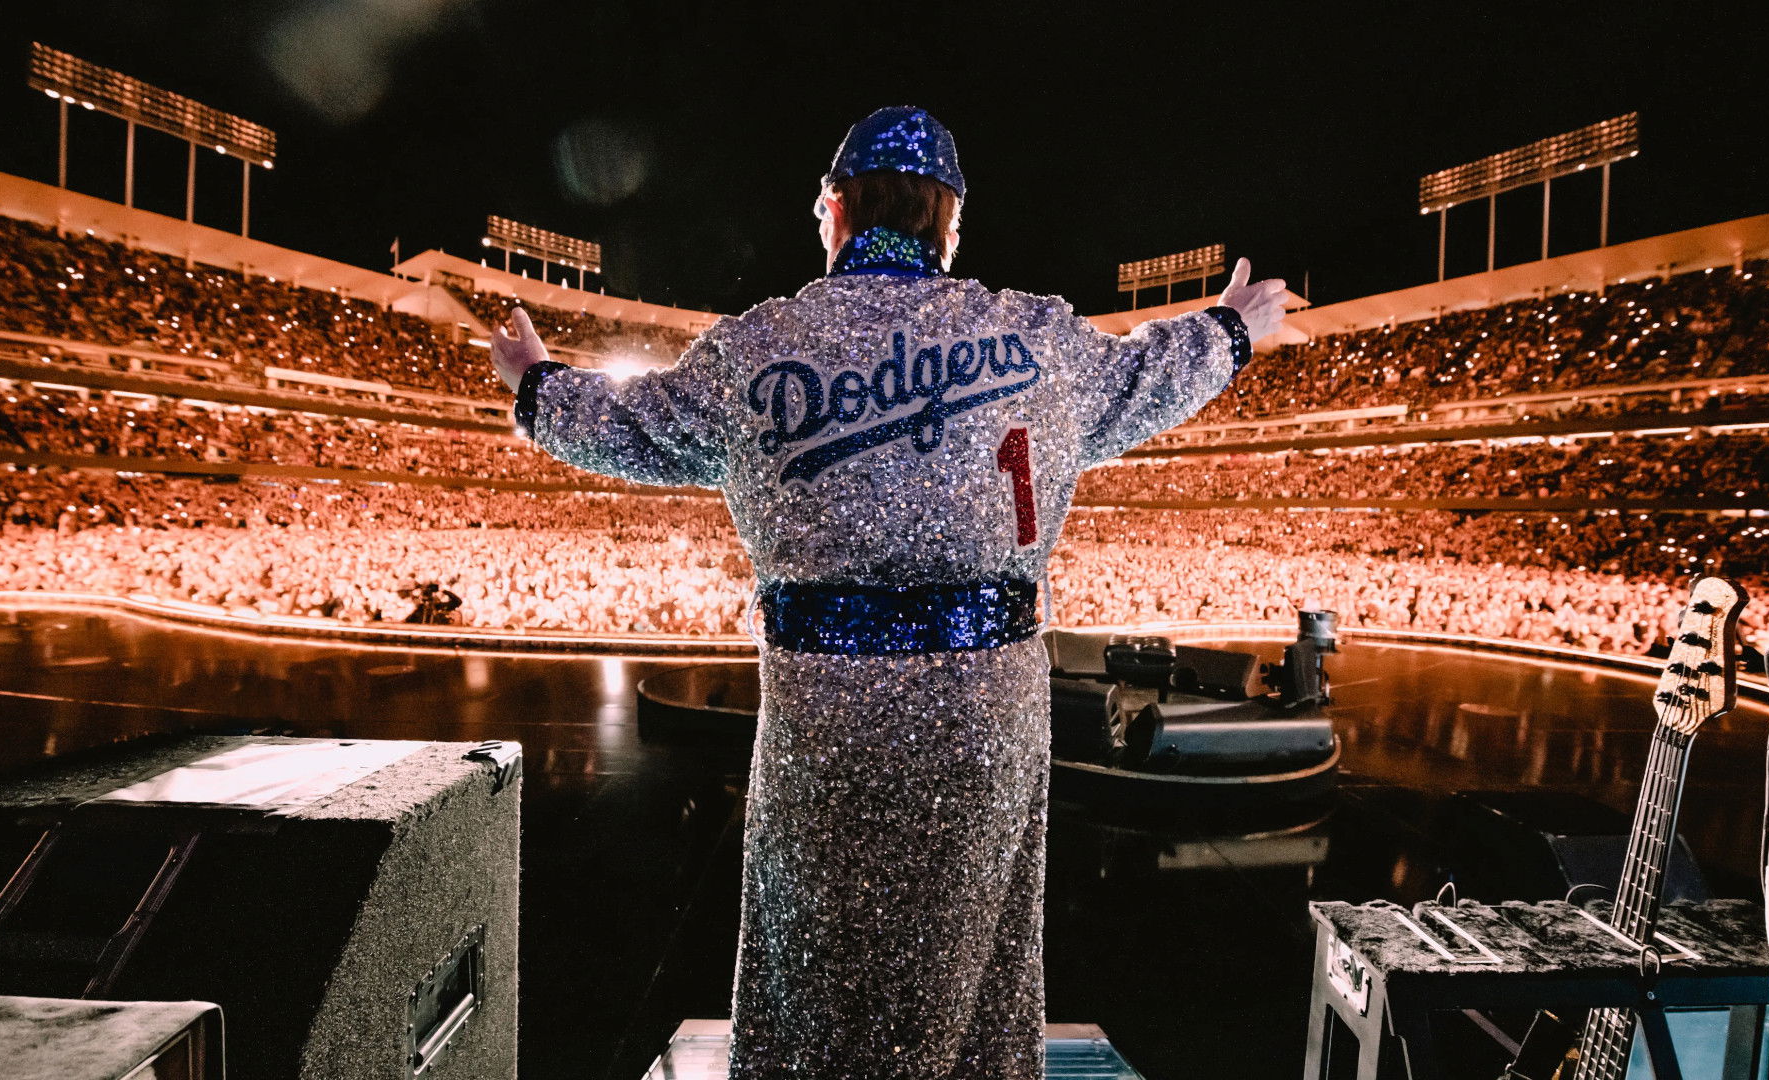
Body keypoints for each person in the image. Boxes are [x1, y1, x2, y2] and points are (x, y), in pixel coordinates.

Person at [490, 106, 1287, 1079]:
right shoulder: (1033, 338)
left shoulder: (759, 351)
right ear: (950, 223)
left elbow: (628, 424)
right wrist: (1229, 330)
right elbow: (1147, 374)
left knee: (827, 967)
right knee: (984, 963)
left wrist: (536, 384)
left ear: (833, 211)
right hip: (994, 708)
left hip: (830, 713)